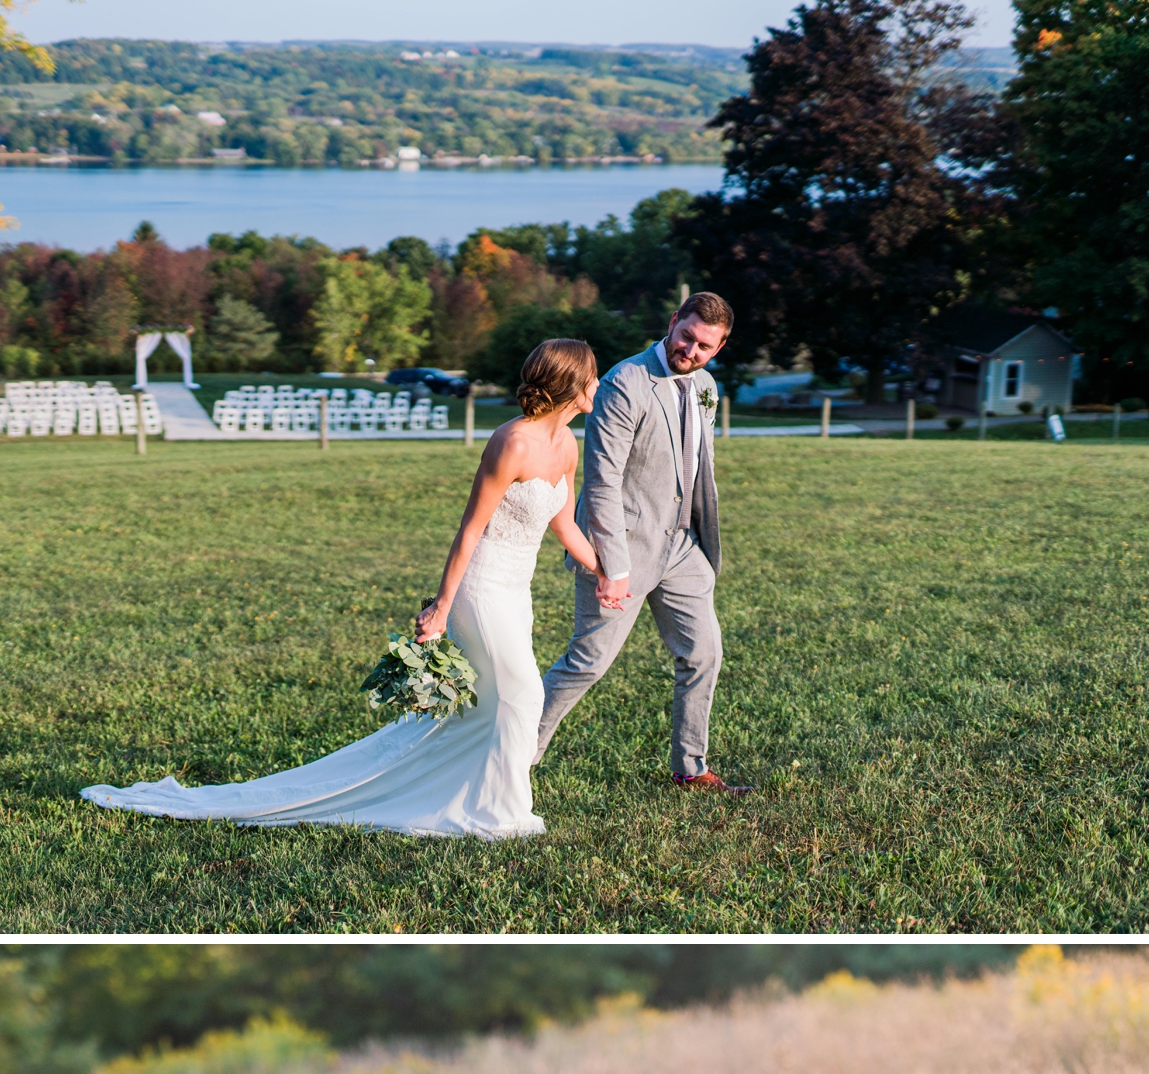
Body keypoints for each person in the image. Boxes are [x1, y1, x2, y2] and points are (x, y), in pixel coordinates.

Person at [80, 340, 609, 838]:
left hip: (519, 593)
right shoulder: (511, 442)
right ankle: (502, 812)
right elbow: (470, 529)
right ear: (571, 384)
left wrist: (601, 573)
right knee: (524, 695)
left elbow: (563, 524)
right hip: (481, 587)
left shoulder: (565, 444)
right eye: (593, 376)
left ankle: (464, 793)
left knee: (488, 705)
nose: (599, 382)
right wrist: (442, 607)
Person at [535, 291, 753, 795]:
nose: (691, 351)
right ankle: (516, 758)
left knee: (704, 656)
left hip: (683, 547)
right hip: (623, 548)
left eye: (705, 346)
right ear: (673, 322)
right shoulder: (624, 382)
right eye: (687, 337)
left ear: (719, 348)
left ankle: (690, 768)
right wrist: (613, 566)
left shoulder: (706, 387)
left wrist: (700, 538)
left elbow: (700, 465)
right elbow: (602, 481)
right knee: (586, 663)